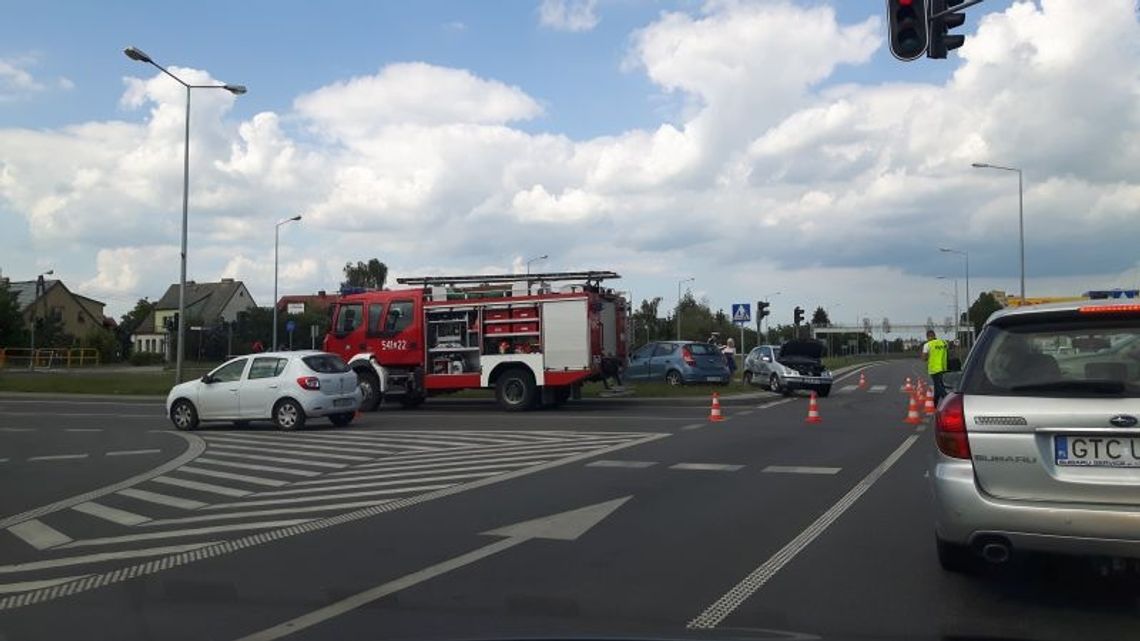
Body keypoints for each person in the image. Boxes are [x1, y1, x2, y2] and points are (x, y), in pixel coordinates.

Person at [922, 330, 949, 404]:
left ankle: (948, 401)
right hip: (943, 367)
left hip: (934, 369)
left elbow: (924, 358)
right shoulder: (944, 343)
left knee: (940, 387)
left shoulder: (927, 345)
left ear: (928, 337)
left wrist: (927, 356)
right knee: (937, 387)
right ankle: (935, 404)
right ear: (934, 335)